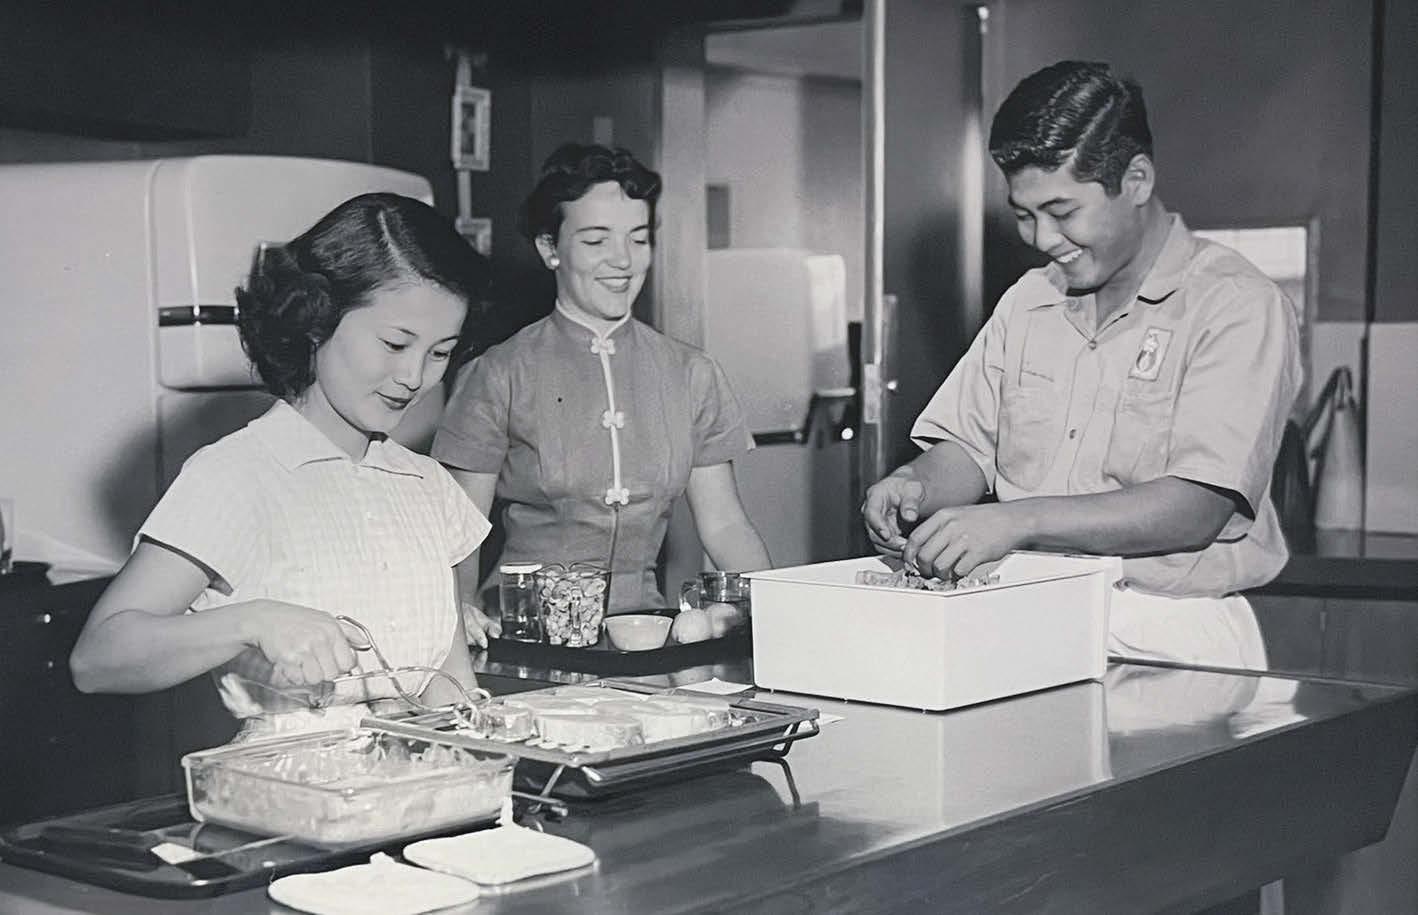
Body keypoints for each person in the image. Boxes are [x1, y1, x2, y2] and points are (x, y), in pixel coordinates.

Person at [862, 61, 1302, 669]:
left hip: (1170, 630)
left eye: (1062, 212)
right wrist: (915, 487)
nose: (1041, 238)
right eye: (1024, 214)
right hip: (1030, 615)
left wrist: (1017, 521)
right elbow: (968, 449)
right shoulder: (1029, 301)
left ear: (1137, 180)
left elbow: (1197, 507)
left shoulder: (1235, 305)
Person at [70, 193, 493, 739]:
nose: (415, 377)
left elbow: (448, 688)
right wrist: (252, 620)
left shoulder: (427, 486)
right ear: (317, 321)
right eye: (395, 344)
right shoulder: (237, 475)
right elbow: (97, 659)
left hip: (420, 779)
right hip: (287, 783)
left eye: (439, 353)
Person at [432, 143, 770, 639]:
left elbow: (725, 525)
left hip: (645, 636)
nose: (623, 261)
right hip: (523, 637)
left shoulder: (692, 373)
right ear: (550, 248)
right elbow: (459, 534)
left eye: (639, 238)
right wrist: (458, 621)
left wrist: (774, 612)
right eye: (596, 241)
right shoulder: (498, 373)